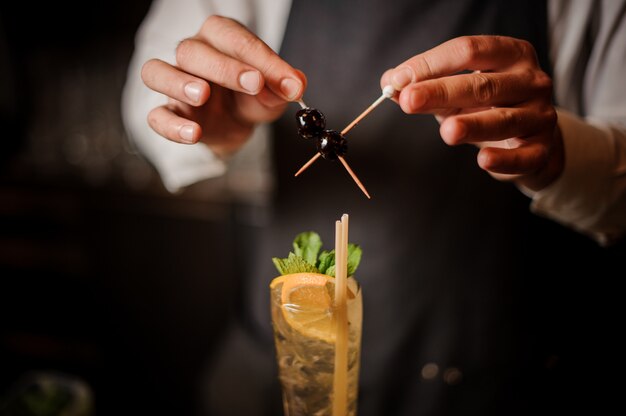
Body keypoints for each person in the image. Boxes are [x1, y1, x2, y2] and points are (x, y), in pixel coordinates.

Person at [123, 0, 626, 415]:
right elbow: (146, 89)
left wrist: (560, 154)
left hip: (505, 380)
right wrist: (209, 115)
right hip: (283, 372)